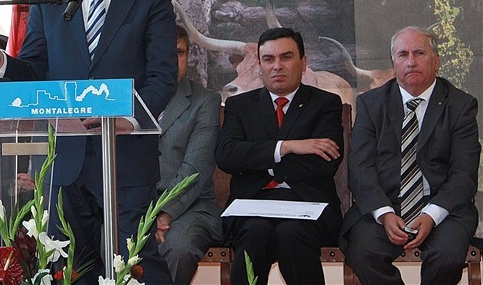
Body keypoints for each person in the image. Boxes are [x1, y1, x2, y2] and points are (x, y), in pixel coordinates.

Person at [0, 0, 177, 284]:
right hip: (63, 161)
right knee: (70, 270)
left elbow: (163, 75)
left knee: (136, 265)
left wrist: (128, 118)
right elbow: (33, 70)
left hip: (124, 157)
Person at [340, 26, 480, 285]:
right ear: (394, 63)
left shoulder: (460, 106)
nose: (411, 61)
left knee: (447, 257)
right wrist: (383, 212)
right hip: (385, 205)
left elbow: (464, 174)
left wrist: (432, 214)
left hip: (443, 208)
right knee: (363, 252)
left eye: (419, 53)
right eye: (402, 54)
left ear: (436, 61)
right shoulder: (371, 104)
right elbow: (360, 169)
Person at [215, 27, 343, 285]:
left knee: (291, 234)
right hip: (251, 205)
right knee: (254, 233)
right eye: (268, 59)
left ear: (303, 62)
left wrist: (260, 162)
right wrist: (287, 147)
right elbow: (227, 156)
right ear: (259, 65)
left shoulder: (326, 103)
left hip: (307, 205)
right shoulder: (240, 105)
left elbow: (324, 161)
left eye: (286, 57)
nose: (277, 66)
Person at [156, 25, 222, 285]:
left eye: (180, 53)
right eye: (165, 52)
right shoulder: (129, 98)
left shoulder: (205, 101)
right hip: (137, 206)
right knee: (106, 237)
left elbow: (194, 170)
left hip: (190, 208)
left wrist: (163, 214)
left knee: (179, 248)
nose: (173, 60)